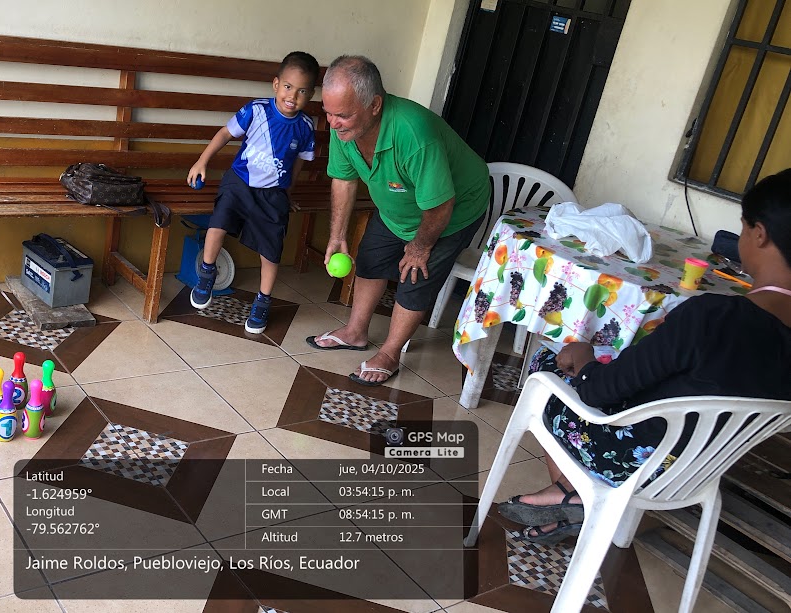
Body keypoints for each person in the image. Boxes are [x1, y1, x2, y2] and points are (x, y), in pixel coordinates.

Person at [499, 168, 791, 544]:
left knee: (549, 363)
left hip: (634, 463)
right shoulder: (724, 320)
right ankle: (568, 495)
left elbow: (597, 392)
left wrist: (583, 355)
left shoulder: (713, 316)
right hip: (697, 472)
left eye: (743, 228)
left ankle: (575, 493)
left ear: (759, 234)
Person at [304, 55, 490, 386]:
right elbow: (344, 179)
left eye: (342, 115)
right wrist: (337, 235)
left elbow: (440, 205)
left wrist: (419, 247)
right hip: (398, 206)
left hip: (453, 208)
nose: (333, 122)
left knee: (415, 274)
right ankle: (355, 332)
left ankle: (390, 353)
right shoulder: (343, 127)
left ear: (374, 105)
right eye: (328, 112)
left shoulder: (413, 134)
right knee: (371, 259)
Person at [186, 52, 320, 334]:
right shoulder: (257, 110)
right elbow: (225, 133)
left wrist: (288, 193)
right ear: (276, 84)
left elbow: (298, 163)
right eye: (288, 87)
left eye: (302, 91)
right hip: (239, 182)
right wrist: (202, 161)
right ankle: (207, 273)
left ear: (310, 94)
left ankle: (262, 301)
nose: (293, 96)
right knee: (218, 224)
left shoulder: (306, 127)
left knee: (271, 251)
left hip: (273, 194)